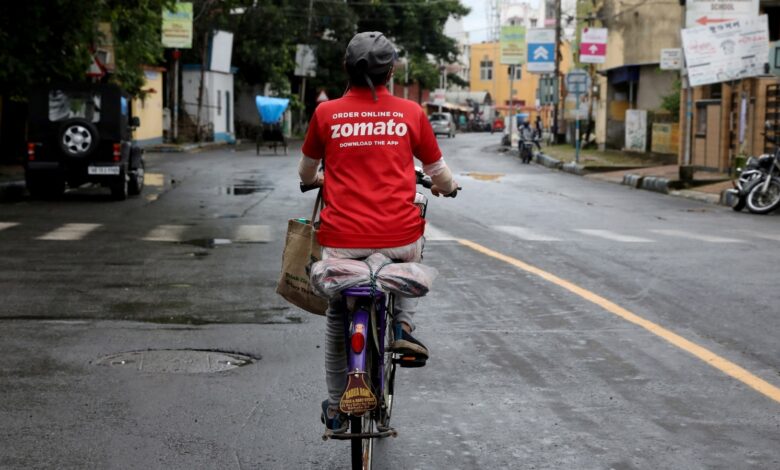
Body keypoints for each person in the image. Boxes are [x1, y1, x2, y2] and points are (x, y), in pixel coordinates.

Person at [297, 31, 459, 433]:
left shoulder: (326, 113)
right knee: (413, 248)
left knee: (337, 314)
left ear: (345, 69)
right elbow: (439, 174)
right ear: (392, 70)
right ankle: (403, 326)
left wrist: (317, 177)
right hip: (397, 238)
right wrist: (447, 188)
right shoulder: (411, 112)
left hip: (342, 243)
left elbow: (305, 171)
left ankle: (337, 406)